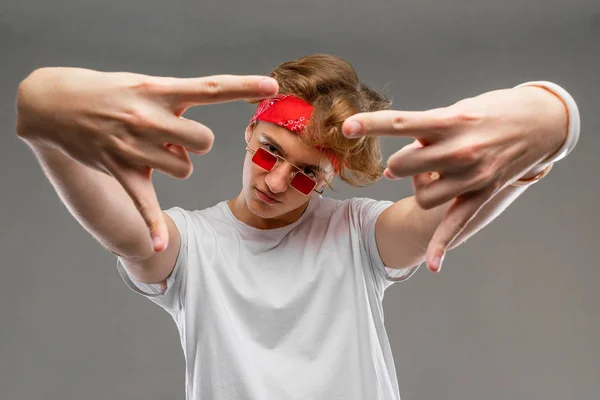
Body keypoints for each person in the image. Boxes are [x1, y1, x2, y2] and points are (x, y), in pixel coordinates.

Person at [16, 54, 579, 400]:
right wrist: (41, 109)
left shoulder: (359, 236)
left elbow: (467, 195)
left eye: (306, 174)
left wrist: (554, 116)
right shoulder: (194, 247)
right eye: (269, 153)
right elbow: (123, 231)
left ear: (329, 179)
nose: (279, 182)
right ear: (249, 133)